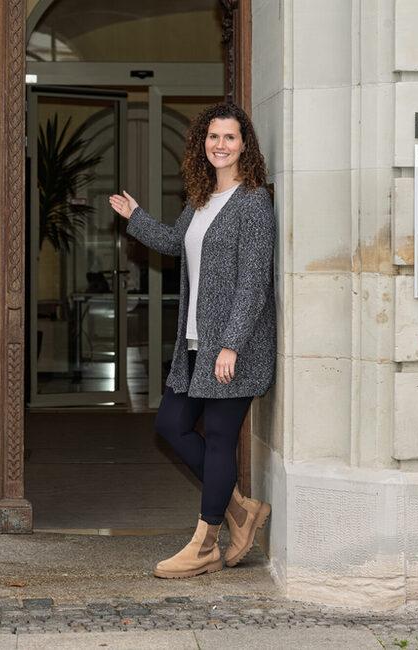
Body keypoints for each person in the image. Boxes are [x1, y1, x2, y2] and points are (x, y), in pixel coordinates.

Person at [108, 102, 276, 579]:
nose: (220, 145)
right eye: (213, 137)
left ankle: (206, 543)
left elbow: (253, 282)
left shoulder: (254, 202)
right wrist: (135, 216)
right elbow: (171, 243)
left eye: (229, 137)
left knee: (220, 439)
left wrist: (233, 345)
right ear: (202, 144)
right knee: (171, 424)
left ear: (245, 145)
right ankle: (242, 512)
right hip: (196, 342)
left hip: (233, 346)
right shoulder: (199, 201)